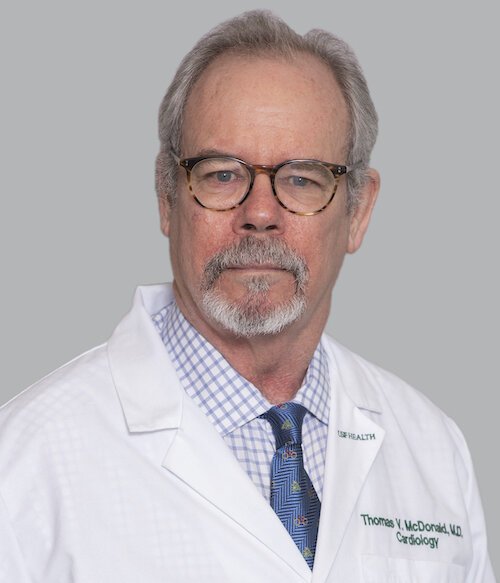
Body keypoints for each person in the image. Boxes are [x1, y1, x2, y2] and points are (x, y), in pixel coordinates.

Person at [0, 9, 495, 583]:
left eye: (303, 179)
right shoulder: (25, 464)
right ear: (166, 197)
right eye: (222, 175)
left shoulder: (432, 449)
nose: (259, 214)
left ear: (358, 211)